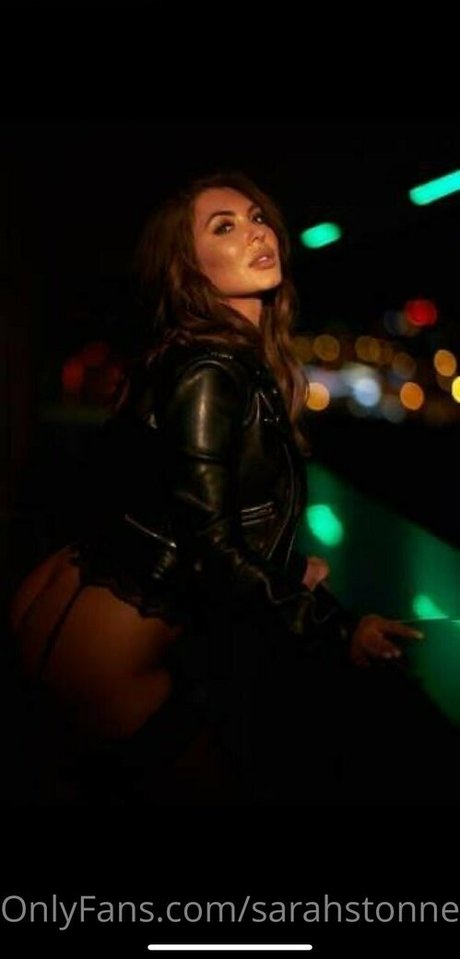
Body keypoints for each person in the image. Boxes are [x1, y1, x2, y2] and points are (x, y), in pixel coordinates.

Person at [8, 170, 429, 805]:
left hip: (64, 606)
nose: (255, 232)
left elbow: (177, 506)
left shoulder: (196, 357)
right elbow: (211, 545)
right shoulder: (209, 371)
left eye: (257, 218)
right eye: (224, 227)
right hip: (100, 657)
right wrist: (338, 627)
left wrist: (284, 567)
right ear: (190, 270)